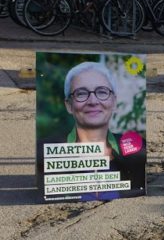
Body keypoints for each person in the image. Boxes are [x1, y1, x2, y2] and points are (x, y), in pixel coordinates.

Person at [37, 61, 146, 201]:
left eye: (102, 92)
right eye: (81, 93)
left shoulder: (138, 150)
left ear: (113, 101)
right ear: (69, 105)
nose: (93, 101)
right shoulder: (44, 154)